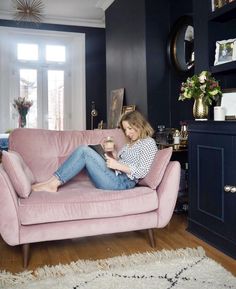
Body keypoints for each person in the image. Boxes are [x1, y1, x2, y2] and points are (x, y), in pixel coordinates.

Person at [32, 110, 158, 193]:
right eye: (125, 130)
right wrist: (114, 155)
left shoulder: (148, 143)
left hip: (121, 183)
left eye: (130, 128)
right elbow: (123, 164)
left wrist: (118, 165)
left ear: (139, 125)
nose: (127, 133)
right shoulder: (130, 144)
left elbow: (142, 171)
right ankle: (50, 181)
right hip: (114, 176)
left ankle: (53, 183)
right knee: (87, 149)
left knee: (84, 151)